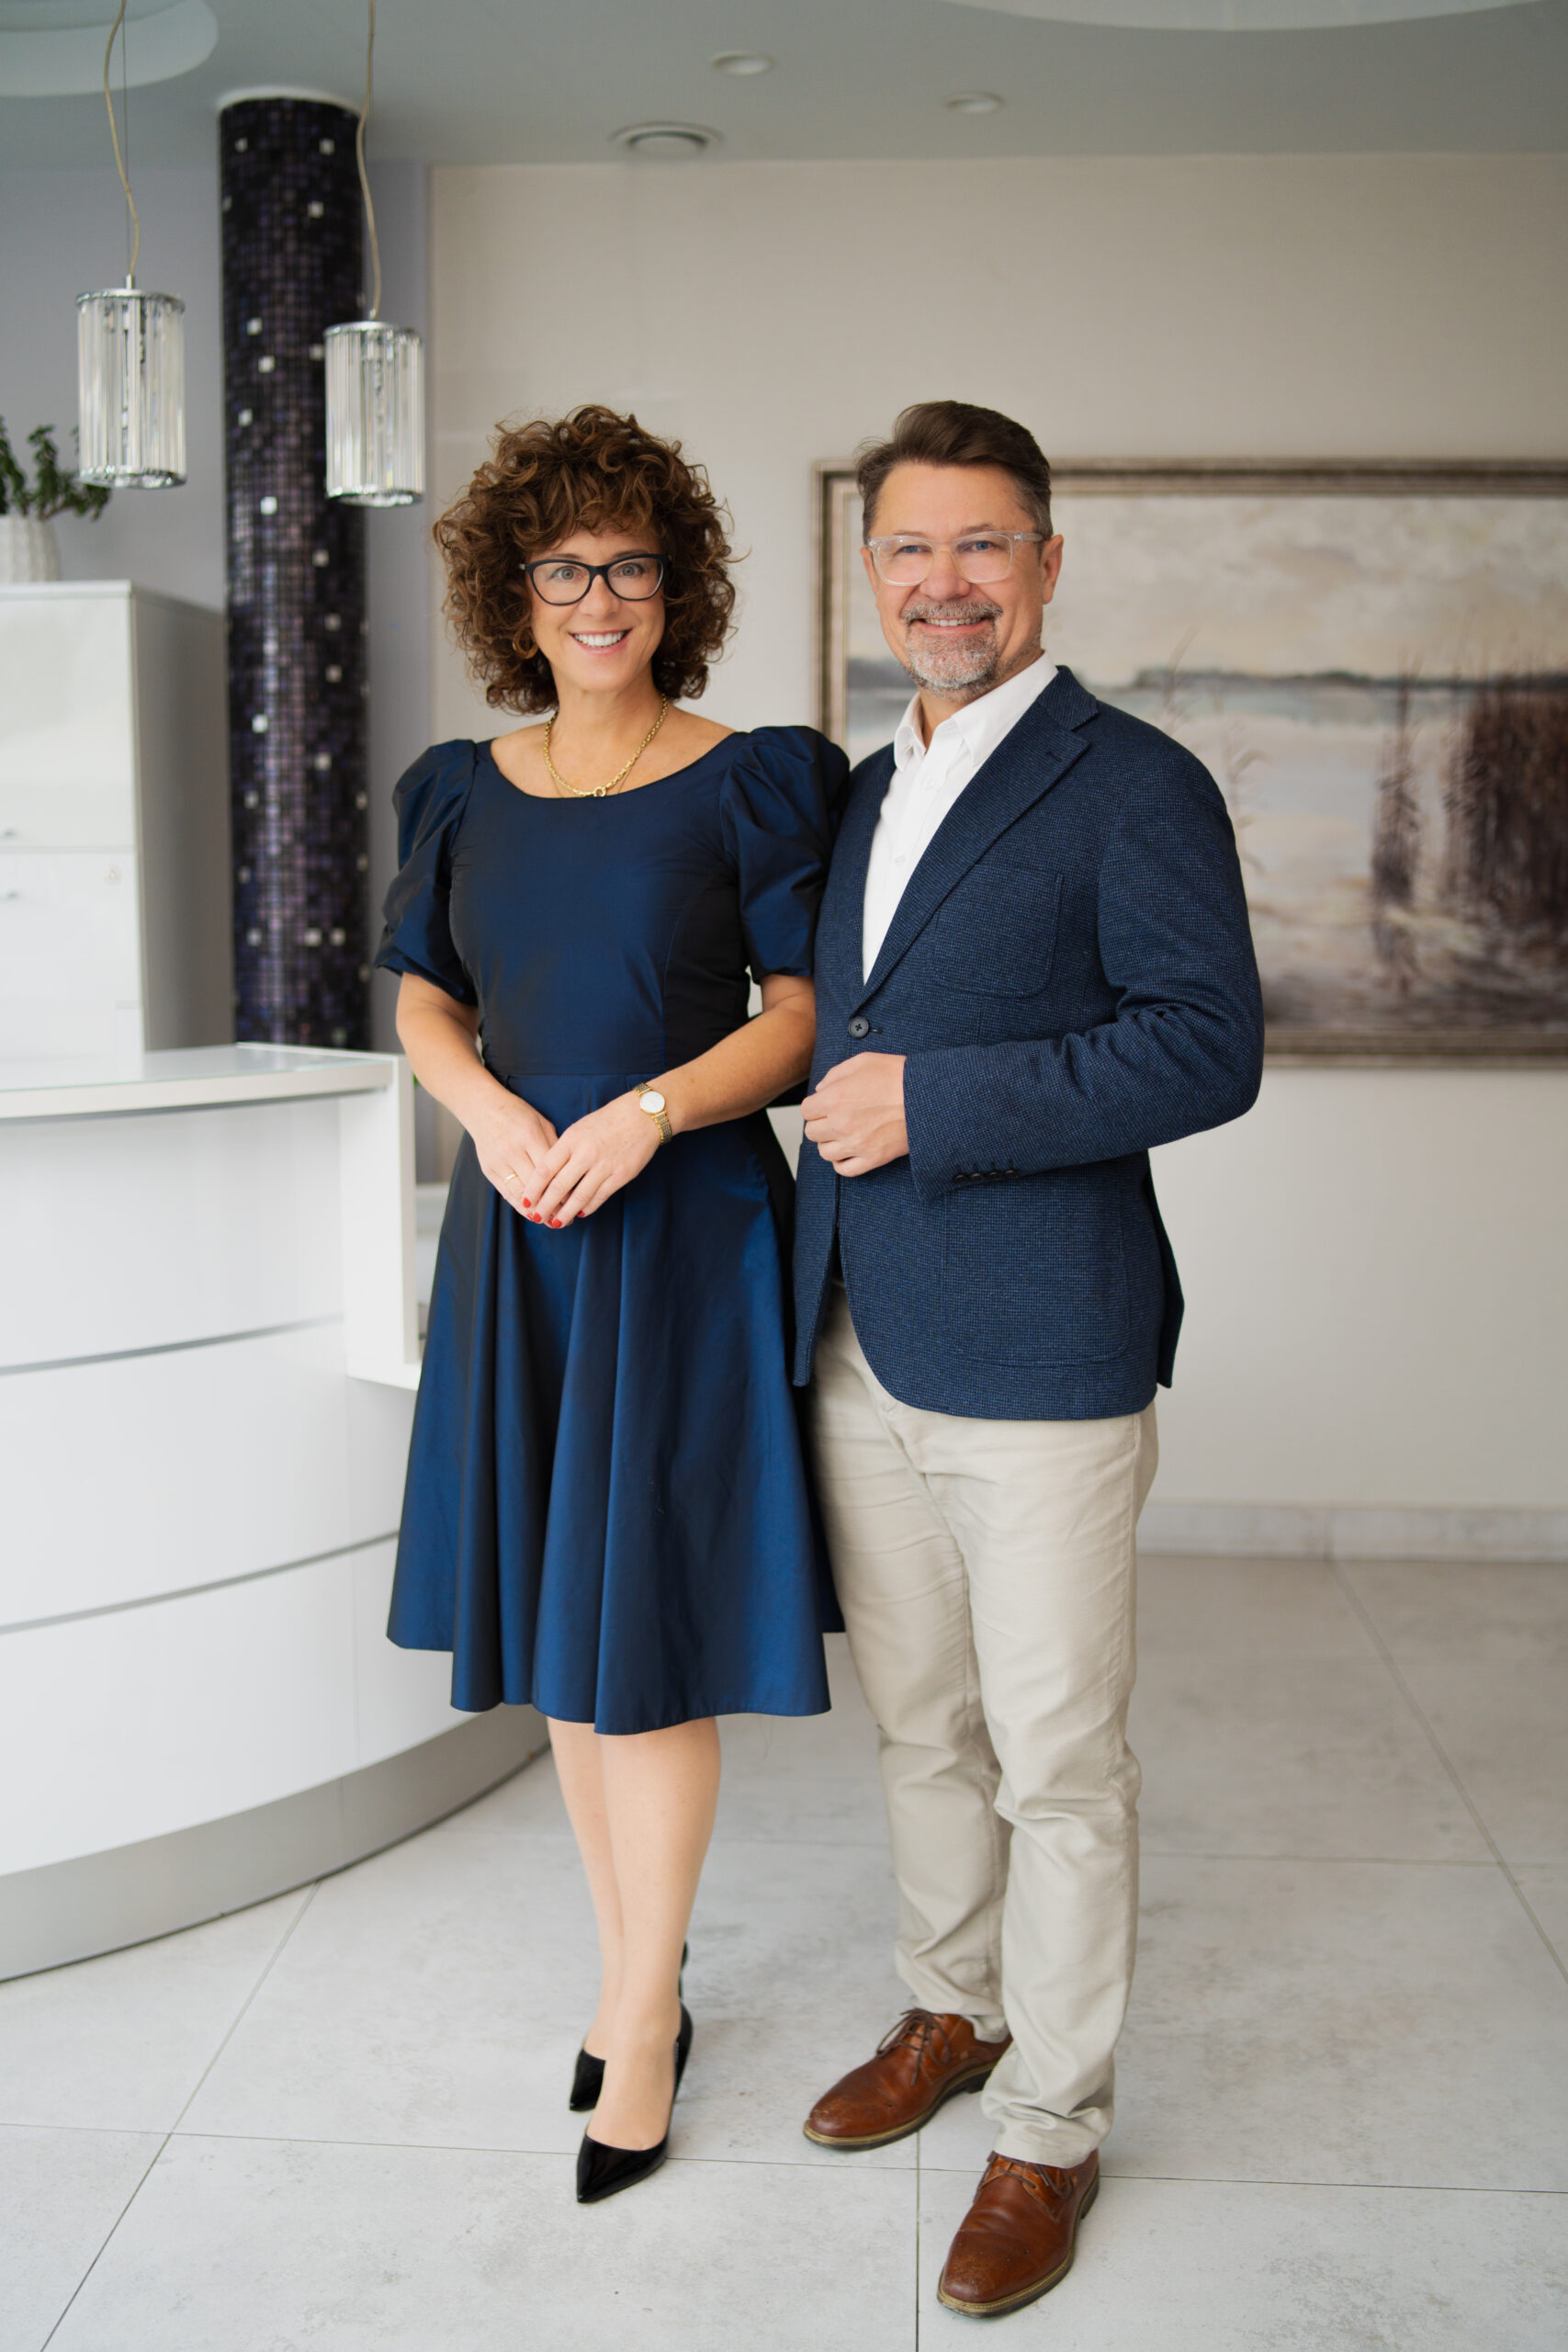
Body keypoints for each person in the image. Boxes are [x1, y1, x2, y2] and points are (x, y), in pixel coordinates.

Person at [794, 401, 1263, 2318]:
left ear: (1047, 562)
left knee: (1060, 1761)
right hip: (855, 1334)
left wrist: (936, 1099)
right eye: (910, 547)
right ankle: (951, 2007)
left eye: (982, 543)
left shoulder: (1132, 780)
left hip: (1049, 1349)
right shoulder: (855, 784)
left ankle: (1051, 2125)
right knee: (923, 1725)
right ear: (872, 571)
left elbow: (1204, 1045)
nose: (945, 582)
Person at [375, 405, 847, 2208]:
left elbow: (799, 1017)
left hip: (682, 1230)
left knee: (637, 1638)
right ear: (516, 593)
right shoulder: (457, 787)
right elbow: (426, 993)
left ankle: (642, 2016)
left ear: (676, 586)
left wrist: (646, 1112)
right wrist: (487, 1109)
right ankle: (635, 1968)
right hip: (523, 1229)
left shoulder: (755, 780)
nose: (597, 597)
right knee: (568, 1645)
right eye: (562, 567)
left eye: (629, 564)